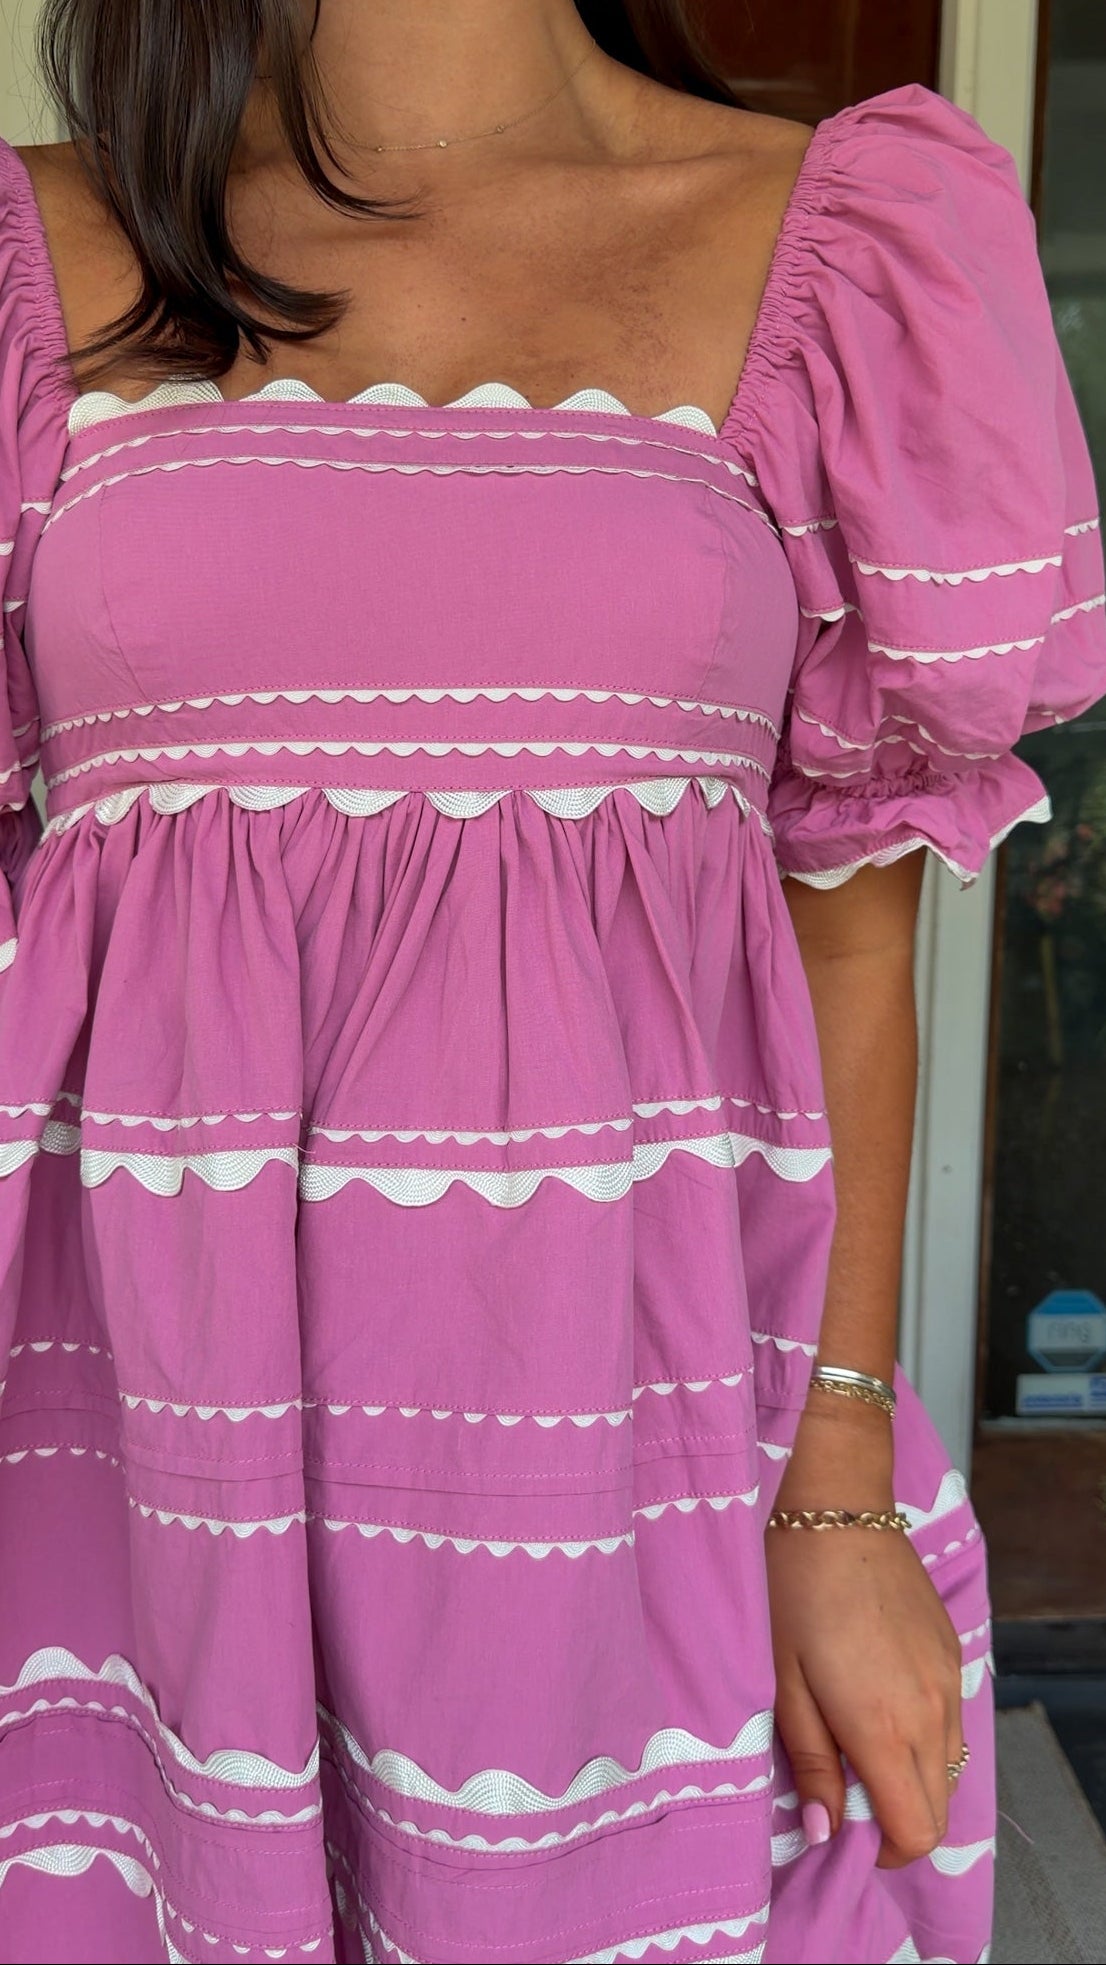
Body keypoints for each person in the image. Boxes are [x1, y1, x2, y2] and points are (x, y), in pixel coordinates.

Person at [0, 3, 1102, 1960]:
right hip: (127, 1451)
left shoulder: (841, 247)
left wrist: (830, 1489)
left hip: (626, 1451)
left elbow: (847, 915)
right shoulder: (32, 251)